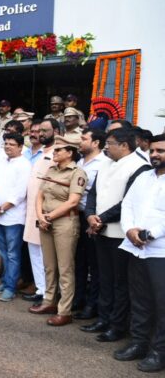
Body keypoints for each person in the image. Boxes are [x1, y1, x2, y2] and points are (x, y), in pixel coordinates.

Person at [81, 128, 150, 340]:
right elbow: (92, 193)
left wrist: (100, 219)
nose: (106, 146)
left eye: (110, 143)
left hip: (121, 234)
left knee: (120, 282)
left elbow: (128, 202)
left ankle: (117, 325)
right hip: (100, 230)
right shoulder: (105, 163)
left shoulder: (140, 167)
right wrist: (90, 215)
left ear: (124, 145)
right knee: (104, 277)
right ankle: (103, 319)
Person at [115, 135, 165, 372]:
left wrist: (149, 233)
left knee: (162, 305)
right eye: (153, 150)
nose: (155, 154)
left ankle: (159, 352)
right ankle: (139, 343)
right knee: (140, 300)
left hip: (161, 252)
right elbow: (127, 205)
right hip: (136, 249)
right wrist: (130, 230)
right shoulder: (144, 177)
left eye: (161, 151)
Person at [30, 135, 87, 326]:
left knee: (65, 268)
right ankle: (49, 301)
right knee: (49, 265)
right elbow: (40, 195)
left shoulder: (77, 172)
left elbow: (73, 201)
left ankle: (65, 311)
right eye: (54, 150)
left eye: (58, 150)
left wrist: (49, 217)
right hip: (46, 220)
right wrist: (41, 216)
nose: (54, 153)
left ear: (70, 153)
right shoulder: (51, 169)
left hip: (64, 222)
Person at [0, 132, 31, 301]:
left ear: (20, 147)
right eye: (6, 143)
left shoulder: (24, 164)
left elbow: (19, 194)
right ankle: (5, 282)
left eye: (12, 144)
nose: (8, 147)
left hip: (13, 216)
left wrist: (2, 208)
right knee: (3, 251)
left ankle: (11, 288)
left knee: (13, 253)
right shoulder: (0, 162)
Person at [23, 118, 62, 304]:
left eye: (46, 130)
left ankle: (49, 293)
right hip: (31, 210)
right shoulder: (40, 152)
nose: (41, 134)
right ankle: (41, 289)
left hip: (45, 212)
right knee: (35, 252)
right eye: (40, 131)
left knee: (46, 255)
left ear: (56, 131)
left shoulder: (58, 153)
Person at [72, 128, 109, 320]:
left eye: (84, 139)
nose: (80, 142)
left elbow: (99, 194)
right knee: (79, 262)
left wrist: (92, 218)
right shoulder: (79, 161)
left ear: (95, 143)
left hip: (92, 219)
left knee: (94, 266)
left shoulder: (104, 164)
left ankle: (92, 305)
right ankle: (78, 299)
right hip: (75, 216)